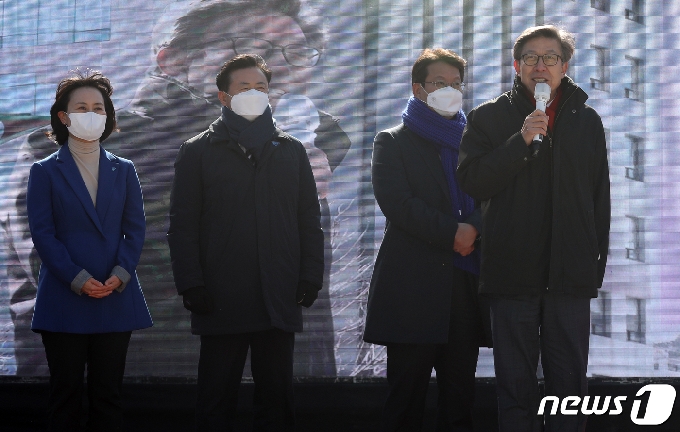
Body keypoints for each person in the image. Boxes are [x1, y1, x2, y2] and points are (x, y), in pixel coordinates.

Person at [2, 0, 345, 377]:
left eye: (295, 53)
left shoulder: (299, 152)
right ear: (173, 60)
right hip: (136, 390)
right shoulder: (80, 151)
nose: (274, 67)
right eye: (252, 48)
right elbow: (83, 273)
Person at [457, 25, 610, 432]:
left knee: (569, 396)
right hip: (512, 276)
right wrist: (520, 140)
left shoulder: (587, 120)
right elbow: (473, 181)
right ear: (516, 64)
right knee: (515, 392)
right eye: (530, 57)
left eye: (550, 58)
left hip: (568, 280)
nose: (539, 66)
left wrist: (592, 269)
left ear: (564, 66)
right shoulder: (488, 117)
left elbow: (600, 200)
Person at [167, 54, 324, 430]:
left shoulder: (291, 150)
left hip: (278, 293)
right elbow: (182, 224)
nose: (255, 93)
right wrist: (192, 283)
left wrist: (309, 276)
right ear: (224, 96)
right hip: (221, 297)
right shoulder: (198, 151)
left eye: (262, 87)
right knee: (215, 402)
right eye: (245, 87)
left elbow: (309, 220)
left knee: (276, 403)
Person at [363, 48, 492, 432]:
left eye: (456, 84)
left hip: (465, 287)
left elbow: (493, 192)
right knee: (405, 401)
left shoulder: (477, 144)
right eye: (440, 83)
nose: (449, 90)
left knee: (459, 404)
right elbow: (399, 205)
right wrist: (456, 232)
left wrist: (474, 226)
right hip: (413, 290)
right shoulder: (392, 141)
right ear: (419, 89)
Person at [25, 70, 152, 431]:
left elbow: (135, 229)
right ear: (64, 117)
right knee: (65, 397)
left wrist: (121, 274)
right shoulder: (44, 171)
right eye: (82, 107)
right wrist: (78, 278)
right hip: (64, 297)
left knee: (107, 397)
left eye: (99, 108)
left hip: (115, 295)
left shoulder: (124, 169)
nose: (91, 113)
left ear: (108, 116)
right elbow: (43, 235)